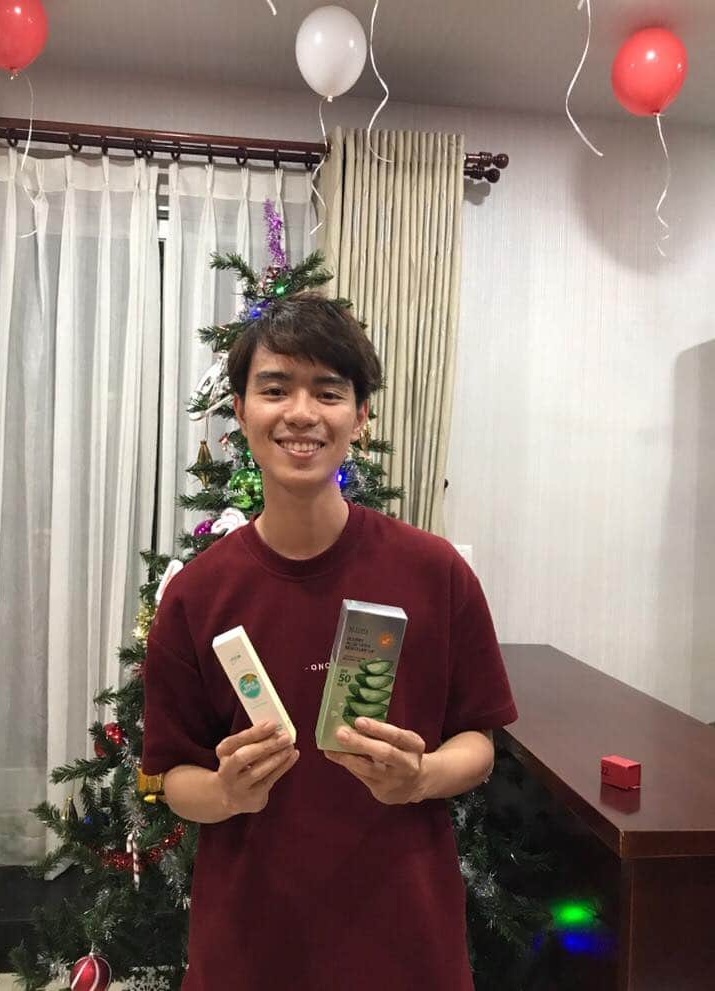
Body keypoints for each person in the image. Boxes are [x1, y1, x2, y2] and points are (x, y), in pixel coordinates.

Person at [142, 294, 518, 991]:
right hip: (249, 947)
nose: (301, 413)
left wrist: (421, 777)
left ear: (360, 416)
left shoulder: (433, 572)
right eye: (275, 389)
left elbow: (479, 741)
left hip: (406, 940)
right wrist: (226, 791)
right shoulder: (196, 595)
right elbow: (175, 779)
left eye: (328, 391)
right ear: (240, 411)